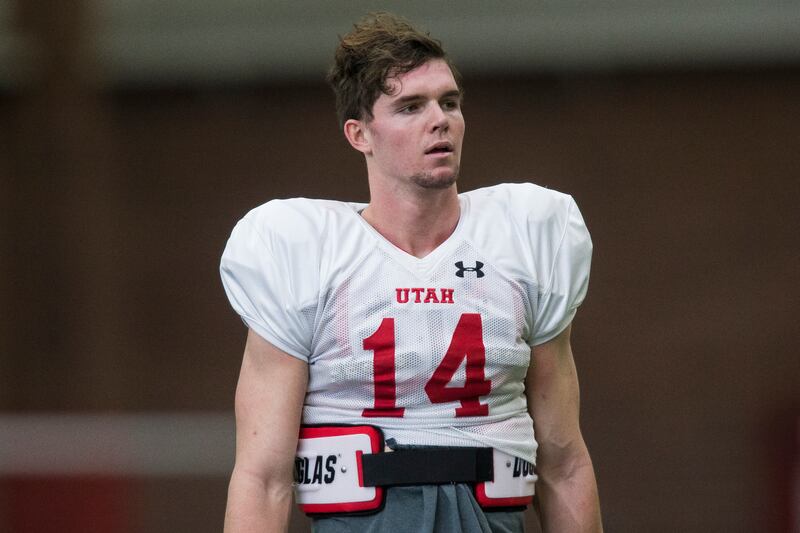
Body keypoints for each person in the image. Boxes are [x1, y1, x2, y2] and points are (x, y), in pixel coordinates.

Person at [220, 11, 602, 533]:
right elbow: (262, 476)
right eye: (409, 107)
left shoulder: (526, 238)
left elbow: (564, 460)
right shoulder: (303, 251)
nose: (439, 119)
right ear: (360, 135)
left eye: (449, 101)